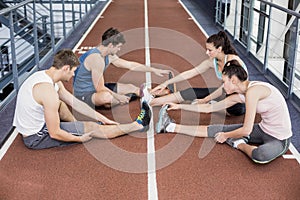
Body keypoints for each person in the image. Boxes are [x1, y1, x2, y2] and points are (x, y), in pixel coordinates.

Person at [155, 60, 292, 164]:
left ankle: (240, 144)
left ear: (233, 80)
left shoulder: (253, 92)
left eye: (224, 81)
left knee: (260, 155)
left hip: (280, 139)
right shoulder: (242, 94)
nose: (222, 85)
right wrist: (180, 107)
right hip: (262, 129)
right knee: (216, 129)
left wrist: (226, 136)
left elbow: (246, 130)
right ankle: (170, 126)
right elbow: (209, 108)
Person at [13, 49, 151, 150]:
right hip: (36, 137)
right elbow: (54, 133)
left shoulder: (46, 76)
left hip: (29, 126)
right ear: (66, 68)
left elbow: (74, 102)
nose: (73, 75)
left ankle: (76, 126)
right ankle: (138, 125)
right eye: (73, 71)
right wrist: (79, 138)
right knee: (91, 128)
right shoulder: (48, 92)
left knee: (61, 105)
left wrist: (102, 117)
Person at [150, 31, 248, 116]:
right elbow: (190, 73)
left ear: (219, 49)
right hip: (224, 91)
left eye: (210, 50)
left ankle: (211, 103)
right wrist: (166, 83)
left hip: (238, 100)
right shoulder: (212, 62)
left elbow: (225, 88)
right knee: (191, 91)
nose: (206, 52)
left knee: (231, 110)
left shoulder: (232, 61)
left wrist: (205, 100)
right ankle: (151, 102)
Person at [73, 27, 171, 108]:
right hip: (84, 94)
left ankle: (156, 93)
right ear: (111, 45)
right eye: (118, 47)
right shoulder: (96, 59)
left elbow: (130, 65)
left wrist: (154, 70)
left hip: (95, 87)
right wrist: (119, 97)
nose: (119, 49)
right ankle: (123, 99)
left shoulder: (108, 55)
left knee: (131, 87)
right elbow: (100, 88)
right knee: (107, 98)